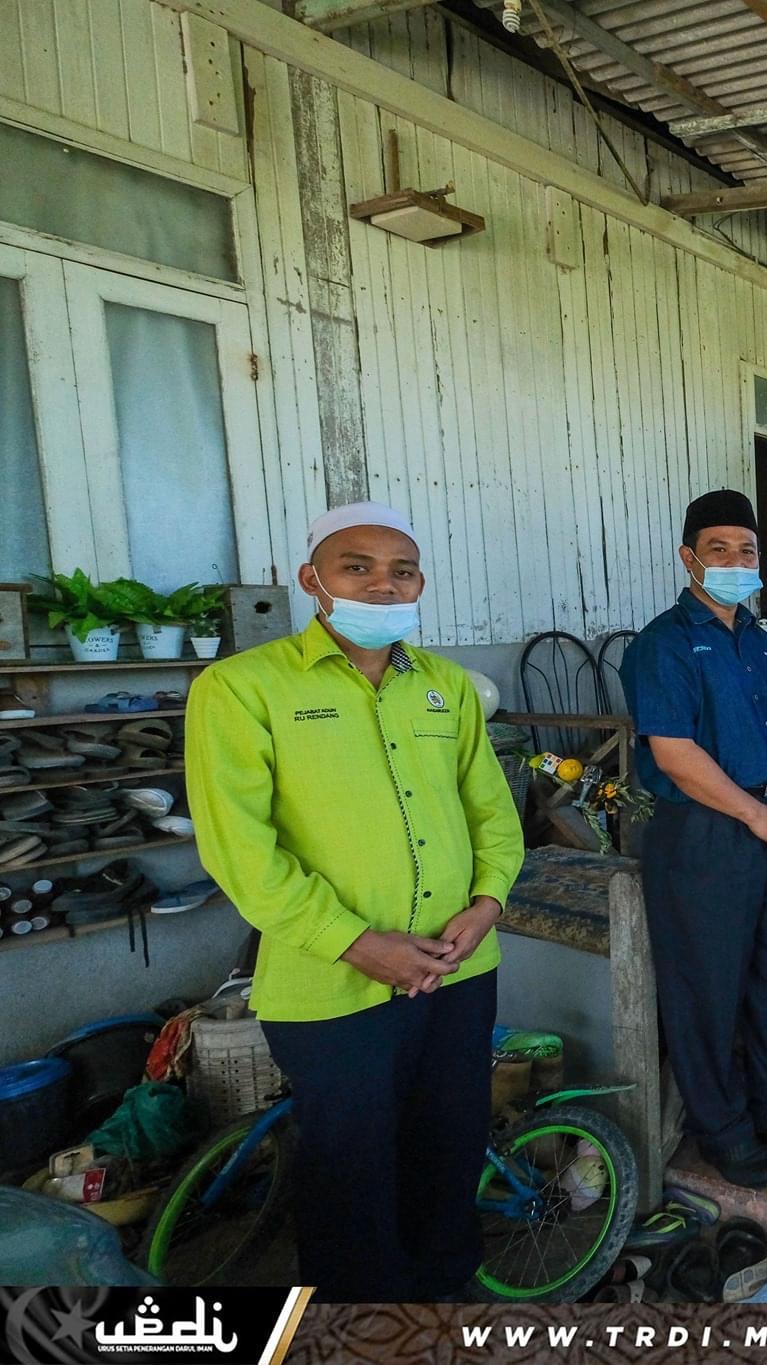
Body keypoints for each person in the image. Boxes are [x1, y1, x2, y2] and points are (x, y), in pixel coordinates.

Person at [186, 501, 524, 1303]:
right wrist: (355, 941)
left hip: (457, 968)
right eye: (356, 567)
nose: (382, 585)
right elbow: (243, 853)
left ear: (421, 583)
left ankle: (444, 1296)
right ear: (312, 580)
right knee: (350, 1164)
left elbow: (493, 816)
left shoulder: (446, 687)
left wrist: (488, 902)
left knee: (449, 1145)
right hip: (329, 985)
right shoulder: (239, 688)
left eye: (400, 570)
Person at [622, 490, 767, 1190]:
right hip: (703, 835)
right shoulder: (662, 643)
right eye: (718, 549)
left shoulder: (757, 639)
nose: (734, 561)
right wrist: (753, 815)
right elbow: (674, 755)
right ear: (688, 556)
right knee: (707, 991)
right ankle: (722, 1130)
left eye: (746, 550)